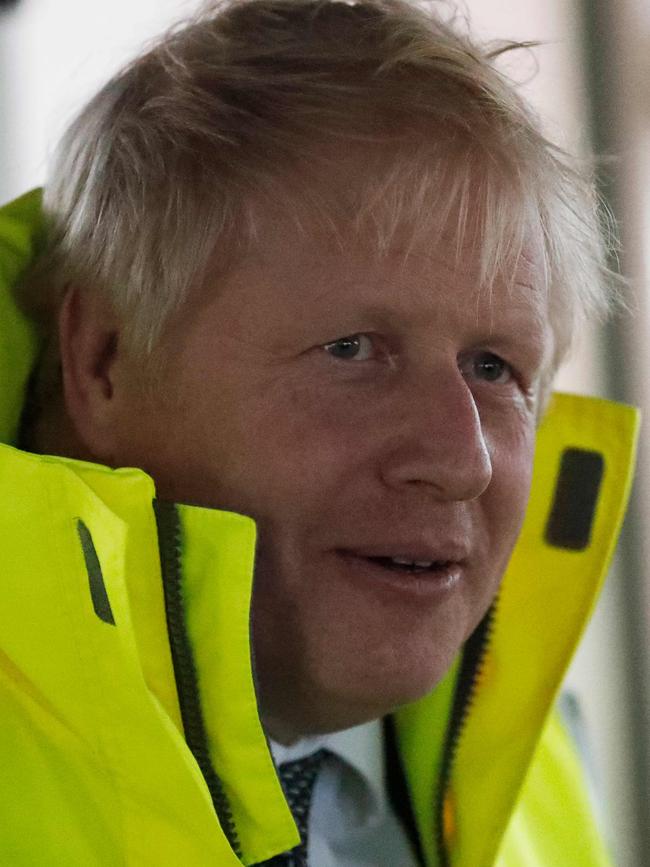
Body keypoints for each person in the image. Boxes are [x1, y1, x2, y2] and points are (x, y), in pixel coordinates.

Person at [0, 0, 639, 864]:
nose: (460, 460)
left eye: (494, 367)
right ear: (103, 358)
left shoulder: (539, 756)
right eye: (353, 349)